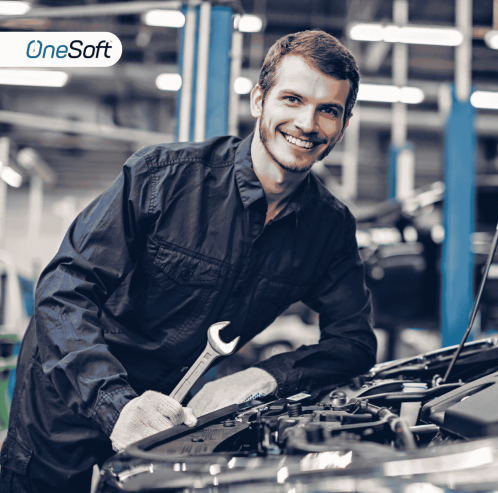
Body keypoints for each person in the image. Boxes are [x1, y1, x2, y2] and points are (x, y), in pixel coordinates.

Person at [0, 30, 376, 492]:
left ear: (344, 122)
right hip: (69, 397)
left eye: (328, 110)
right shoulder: (161, 179)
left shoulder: (329, 229)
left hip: (175, 412)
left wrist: (262, 376)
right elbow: (62, 289)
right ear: (259, 100)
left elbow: (354, 343)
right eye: (292, 99)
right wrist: (115, 404)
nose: (307, 122)